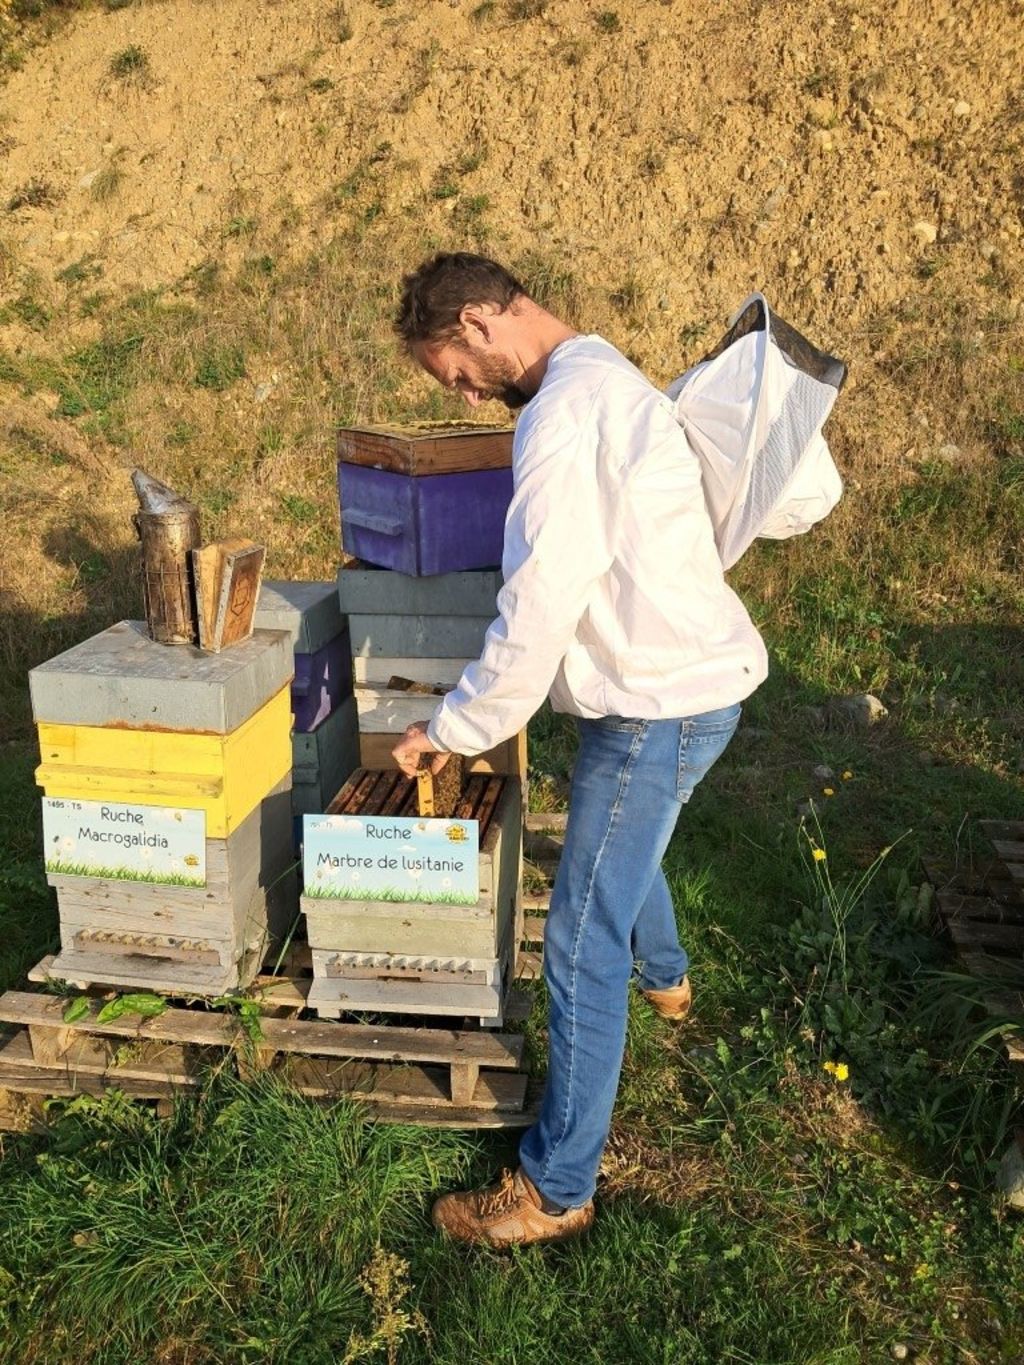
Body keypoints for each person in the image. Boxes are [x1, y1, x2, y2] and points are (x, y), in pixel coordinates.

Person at [390, 252, 768, 1247]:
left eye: (453, 372)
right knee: (619, 846)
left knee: (576, 942)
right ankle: (671, 977)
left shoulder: (563, 414)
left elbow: (539, 602)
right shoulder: (603, 370)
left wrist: (456, 727)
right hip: (681, 689)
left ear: (476, 323)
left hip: (658, 704)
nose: (465, 395)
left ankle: (555, 1190)